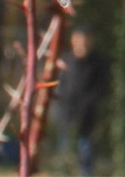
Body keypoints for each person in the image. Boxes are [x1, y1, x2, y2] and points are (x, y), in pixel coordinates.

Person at [52, 26, 109, 176]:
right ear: (73, 40)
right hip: (66, 115)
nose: (81, 43)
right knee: (65, 153)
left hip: (86, 117)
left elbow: (102, 87)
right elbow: (58, 87)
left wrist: (87, 104)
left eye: (85, 39)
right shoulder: (65, 61)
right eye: (78, 39)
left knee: (86, 153)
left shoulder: (97, 62)